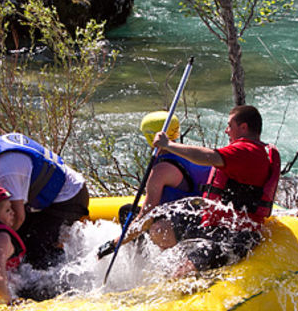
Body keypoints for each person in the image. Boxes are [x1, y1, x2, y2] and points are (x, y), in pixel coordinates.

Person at [100, 105, 281, 277]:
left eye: (229, 125)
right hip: (216, 225)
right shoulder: (259, 152)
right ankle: (158, 265)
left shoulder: (246, 150)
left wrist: (168, 145)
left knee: (179, 275)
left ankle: (161, 276)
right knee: (132, 213)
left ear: (243, 127)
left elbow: (208, 156)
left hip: (232, 234)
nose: (227, 130)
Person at [0, 118, 89, 270]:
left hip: (68, 198)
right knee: (25, 237)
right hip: (60, 191)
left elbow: (18, 217)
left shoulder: (7, 167)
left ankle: (54, 281)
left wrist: (0, 244)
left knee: (34, 249)